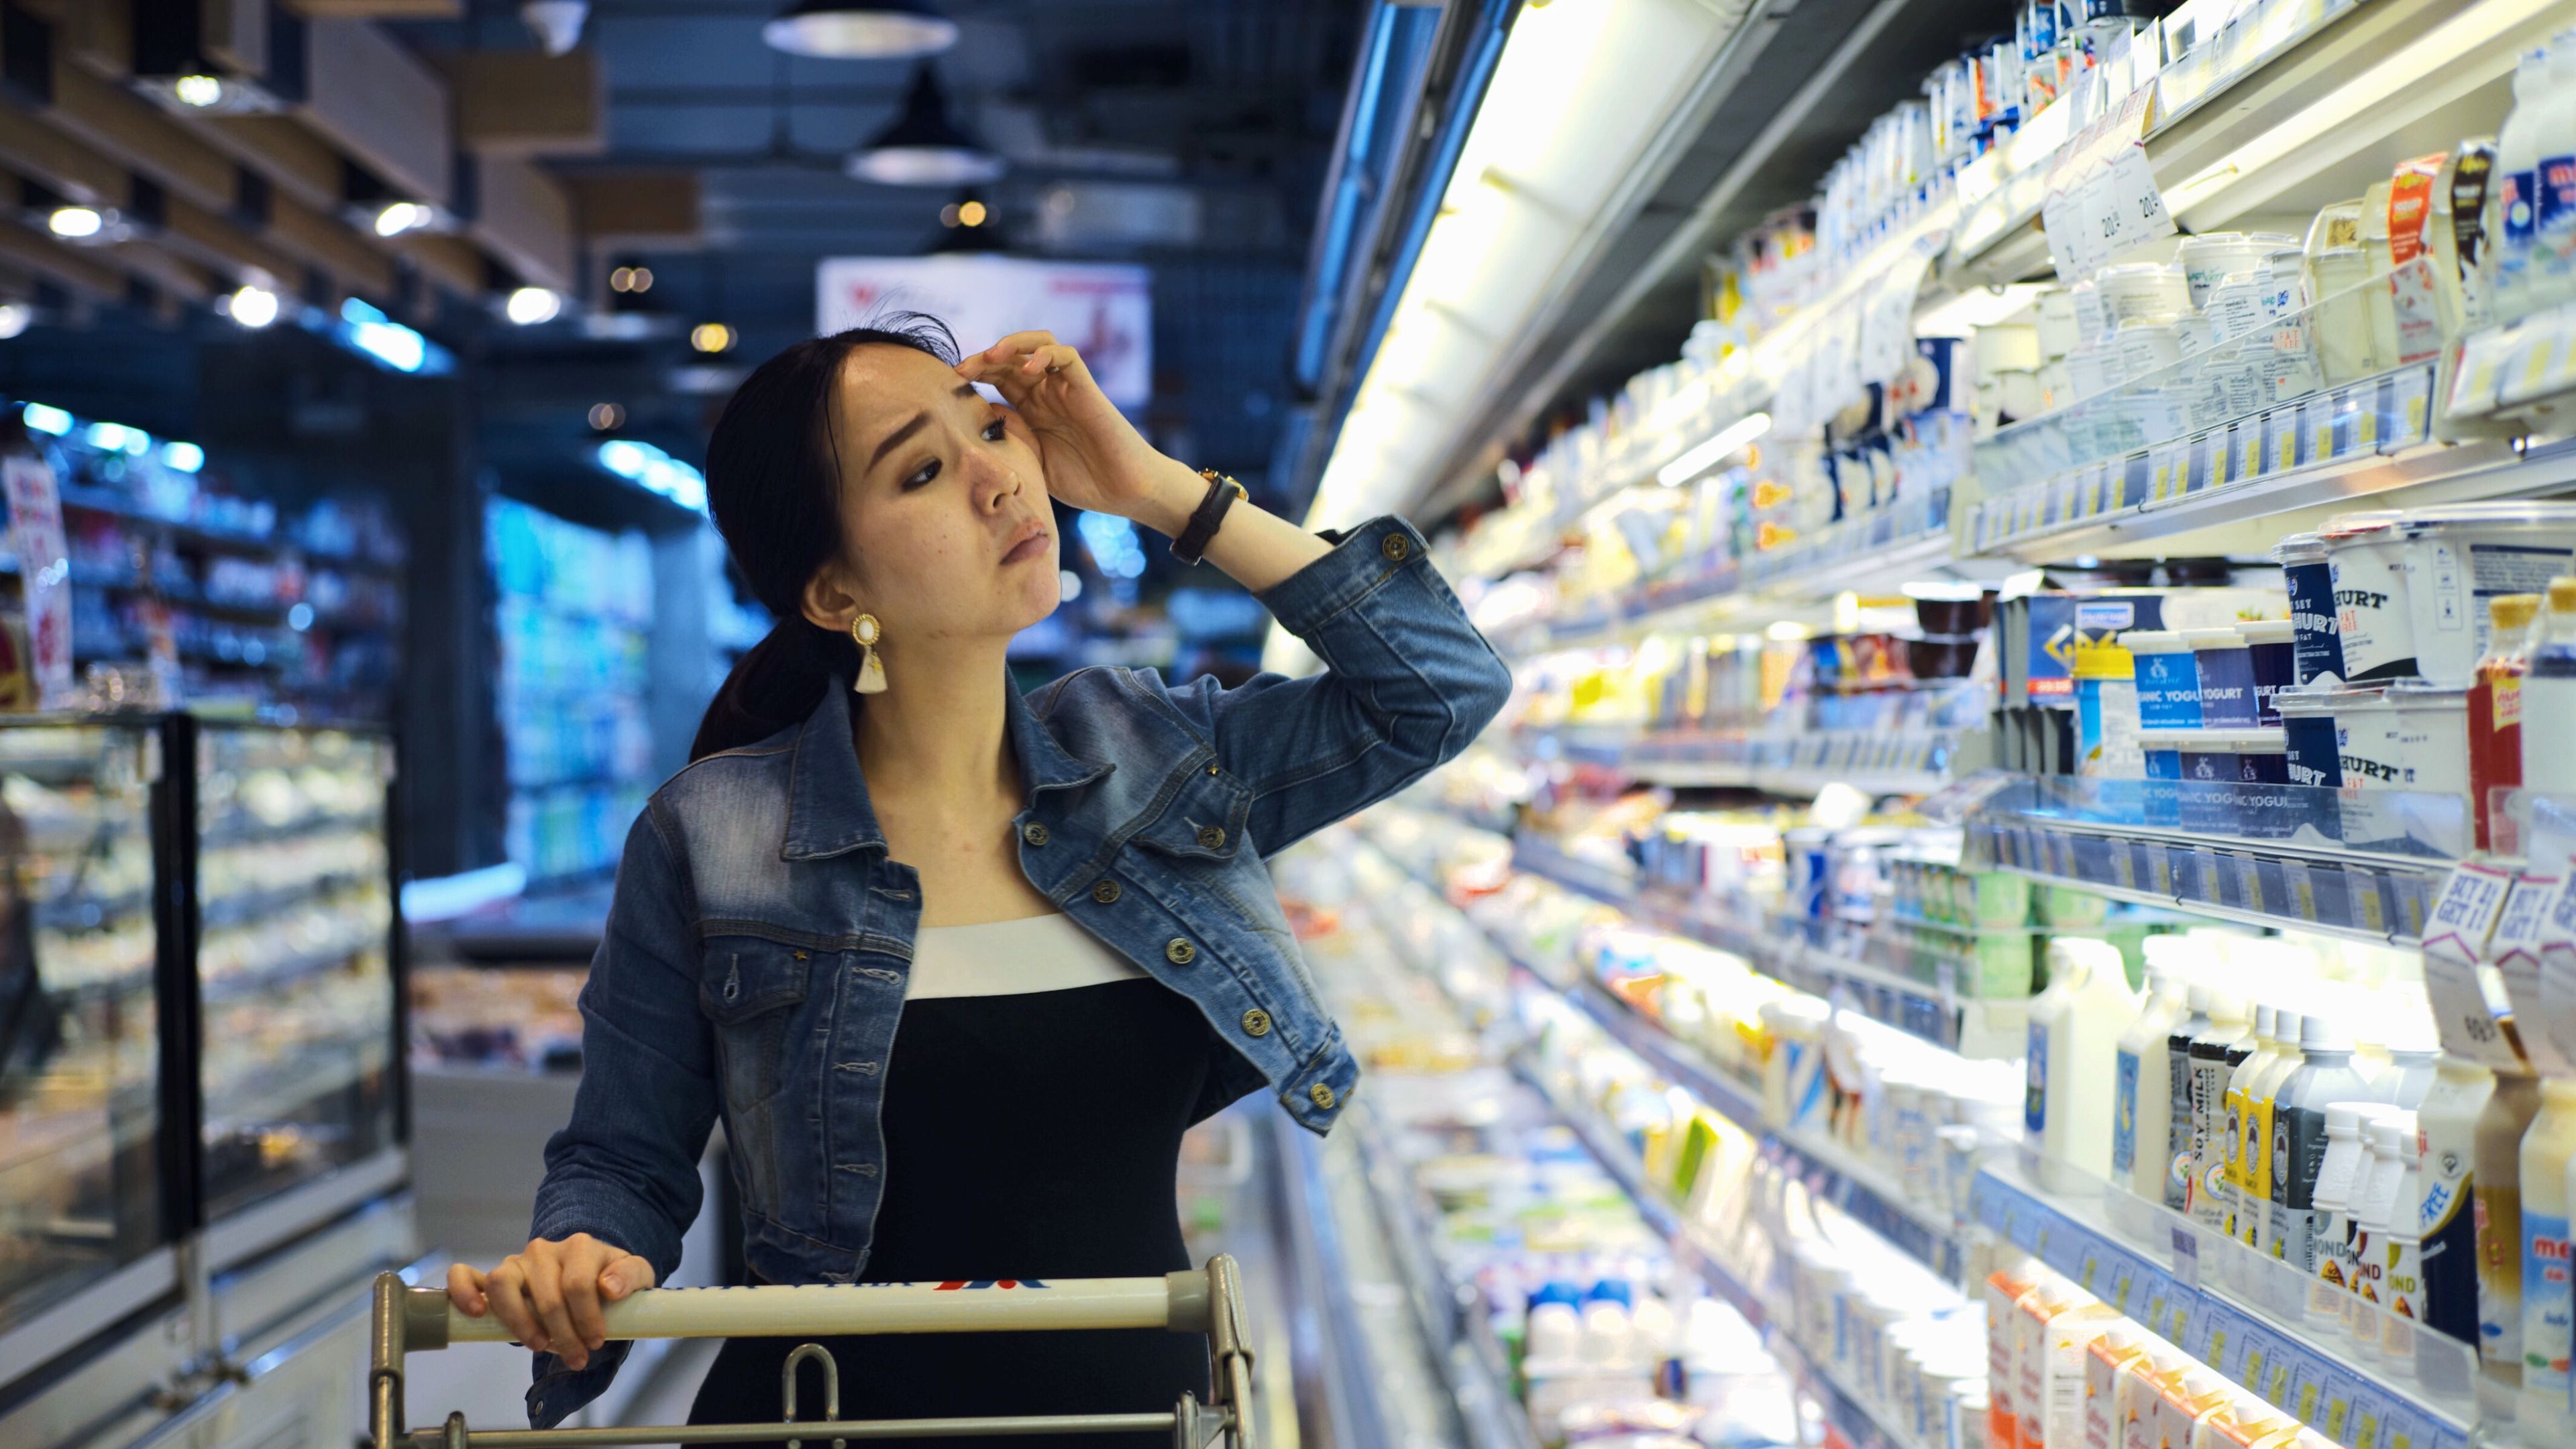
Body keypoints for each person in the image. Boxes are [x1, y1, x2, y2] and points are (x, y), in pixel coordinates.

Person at [445, 315, 1512, 1440]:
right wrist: (586, 1251)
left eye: (992, 429)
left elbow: (1439, 689)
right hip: (822, 1426)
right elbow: (624, 1158)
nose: (999, 480)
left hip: (1135, 1425)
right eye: (920, 470)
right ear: (829, 590)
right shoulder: (711, 834)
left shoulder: (1145, 759)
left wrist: (1157, 490)